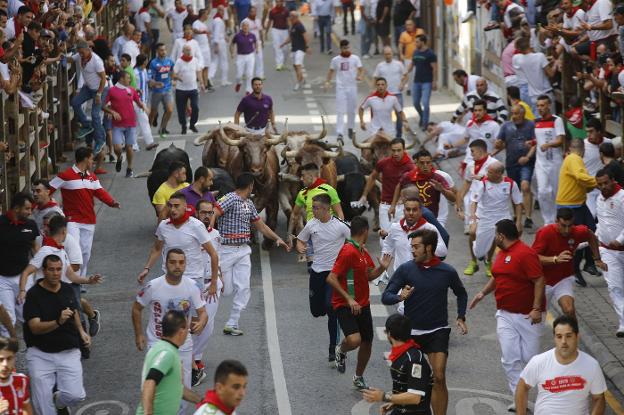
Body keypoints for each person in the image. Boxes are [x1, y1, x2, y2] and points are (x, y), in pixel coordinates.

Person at [383, 229, 467, 415]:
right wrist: (399, 296)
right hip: (411, 333)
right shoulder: (406, 269)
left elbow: (461, 293)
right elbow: (386, 296)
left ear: (428, 248)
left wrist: (461, 316)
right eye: (411, 246)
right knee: (410, 379)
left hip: (437, 330)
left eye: (416, 247)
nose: (412, 250)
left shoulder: (447, 271)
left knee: (438, 376)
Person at [469, 219, 545, 412]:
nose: (495, 237)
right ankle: (519, 399)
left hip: (528, 317)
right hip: (504, 315)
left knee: (531, 359)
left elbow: (539, 280)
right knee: (510, 358)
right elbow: (498, 276)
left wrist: (536, 308)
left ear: (501, 236)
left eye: (496, 234)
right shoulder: (501, 254)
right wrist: (482, 293)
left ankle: (546, 396)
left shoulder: (525, 254)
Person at [214, 173, 290, 336]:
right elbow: (214, 213)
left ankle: (232, 322)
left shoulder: (249, 204)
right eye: (253, 186)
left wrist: (278, 239)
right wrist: (208, 234)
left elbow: (261, 226)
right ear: (250, 186)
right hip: (226, 250)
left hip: (243, 250)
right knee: (225, 289)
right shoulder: (229, 199)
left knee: (244, 287)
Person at [132, 249, 207, 414]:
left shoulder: (192, 286)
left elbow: (203, 313)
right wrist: (139, 334)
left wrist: (202, 322)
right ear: (166, 264)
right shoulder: (154, 286)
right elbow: (137, 308)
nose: (177, 266)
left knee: (178, 389)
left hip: (183, 345)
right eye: (173, 262)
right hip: (157, 342)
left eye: (181, 262)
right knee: (159, 385)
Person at [327, 216, 390, 389]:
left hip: (362, 304)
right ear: (365, 231)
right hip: (345, 304)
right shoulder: (348, 251)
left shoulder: (362, 251)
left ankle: (358, 377)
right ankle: (342, 349)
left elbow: (369, 275)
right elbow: (331, 278)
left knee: (367, 342)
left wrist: (382, 268)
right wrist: (349, 298)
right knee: (354, 341)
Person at [23, 254, 90, 415]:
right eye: (51, 269)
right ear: (43, 271)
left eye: (59, 269)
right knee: (43, 407)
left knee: (76, 395)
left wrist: (82, 332)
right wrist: (57, 322)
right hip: (40, 354)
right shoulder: (33, 295)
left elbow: (73, 312)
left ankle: (59, 401)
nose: (56, 273)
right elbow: (35, 328)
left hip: (68, 351)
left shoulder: (67, 289)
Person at [296, 193, 351, 364]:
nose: (312, 211)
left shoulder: (341, 226)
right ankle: (332, 324)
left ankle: (333, 347)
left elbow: (355, 242)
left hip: (334, 274)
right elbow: (300, 240)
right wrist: (301, 248)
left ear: (326, 209)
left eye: (316, 208)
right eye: (312, 208)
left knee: (331, 308)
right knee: (317, 310)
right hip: (317, 273)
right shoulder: (312, 224)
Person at [49, 147, 121, 278]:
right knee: (74, 250)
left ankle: (81, 279)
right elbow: (47, 189)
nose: (93, 161)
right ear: (86, 159)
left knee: (86, 252)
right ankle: (72, 279)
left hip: (89, 220)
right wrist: (49, 205)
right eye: (92, 158)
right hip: (72, 221)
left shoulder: (92, 177)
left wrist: (112, 202)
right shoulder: (65, 175)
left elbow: (100, 192)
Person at [515, 315, 607, 415]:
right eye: (559, 336)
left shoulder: (591, 365)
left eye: (568, 336)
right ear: (554, 338)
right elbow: (522, 387)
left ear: (577, 336)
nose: (563, 341)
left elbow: (599, 398)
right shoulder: (539, 361)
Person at [138, 192, 219, 293]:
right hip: (170, 277)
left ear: (185, 206)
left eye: (176, 206)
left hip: (193, 278)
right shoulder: (163, 225)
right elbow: (157, 249)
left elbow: (213, 254)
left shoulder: (196, 226)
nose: (172, 209)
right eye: (170, 206)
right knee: (170, 308)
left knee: (194, 309)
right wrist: (147, 268)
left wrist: (214, 282)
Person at [532, 208, 606, 319]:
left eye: (570, 225)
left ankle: (573, 334)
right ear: (556, 221)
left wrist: (597, 259)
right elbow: (532, 258)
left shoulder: (577, 231)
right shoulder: (544, 233)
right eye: (563, 225)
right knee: (537, 318)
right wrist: (555, 259)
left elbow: (591, 236)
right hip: (543, 282)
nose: (567, 230)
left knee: (569, 309)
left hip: (563, 279)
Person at [362, 314, 433, 415]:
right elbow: (407, 387)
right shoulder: (402, 354)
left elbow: (415, 397)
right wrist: (395, 403)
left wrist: (384, 397)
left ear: (389, 334)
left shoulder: (414, 360)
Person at [136, 310, 202, 415]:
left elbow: (179, 389)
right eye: (187, 328)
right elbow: (149, 382)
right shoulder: (167, 353)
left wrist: (202, 401)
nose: (188, 332)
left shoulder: (167, 349)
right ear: (181, 331)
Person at [555, 139, 598, 287]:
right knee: (578, 237)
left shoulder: (572, 159)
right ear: (583, 149)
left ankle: (589, 262)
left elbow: (580, 182)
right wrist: (598, 182)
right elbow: (581, 176)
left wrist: (590, 186)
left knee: (591, 229)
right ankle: (575, 269)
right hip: (570, 205)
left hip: (579, 203)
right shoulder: (574, 158)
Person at [469, 161, 523, 277]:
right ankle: (479, 254)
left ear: (499, 173)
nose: (486, 174)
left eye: (490, 172)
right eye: (487, 171)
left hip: (503, 216)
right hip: (485, 218)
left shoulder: (511, 184)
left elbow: (518, 203)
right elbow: (474, 202)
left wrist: (518, 222)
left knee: (507, 243)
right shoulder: (482, 183)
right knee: (479, 253)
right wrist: (473, 219)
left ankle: (501, 265)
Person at [456, 139, 499, 275]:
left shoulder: (494, 164)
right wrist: (458, 206)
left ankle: (488, 261)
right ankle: (474, 261)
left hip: (490, 205)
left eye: (472, 151)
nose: (471, 154)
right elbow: (465, 186)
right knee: (473, 232)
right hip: (474, 205)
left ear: (480, 150)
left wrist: (484, 178)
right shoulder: (470, 165)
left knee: (492, 235)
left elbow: (500, 182)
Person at [191, 200, 223, 384]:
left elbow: (217, 258)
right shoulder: (191, 233)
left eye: (210, 213)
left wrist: (217, 279)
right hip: (192, 285)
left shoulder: (216, 235)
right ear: (196, 213)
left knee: (207, 325)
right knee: (191, 324)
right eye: (203, 212)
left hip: (211, 285)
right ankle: (190, 358)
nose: (207, 216)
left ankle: (195, 358)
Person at [0, 192, 39, 338]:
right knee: (7, 321)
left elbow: (35, 248)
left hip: (24, 276)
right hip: (2, 279)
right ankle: (8, 358)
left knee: (29, 316)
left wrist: (42, 265)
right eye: (27, 209)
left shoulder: (31, 225)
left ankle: (37, 350)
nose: (30, 212)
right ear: (16, 208)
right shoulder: (0, 223)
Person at [358, 138, 415, 234]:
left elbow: (415, 186)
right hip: (385, 206)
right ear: (389, 150)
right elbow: (372, 177)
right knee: (384, 239)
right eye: (393, 150)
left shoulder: (410, 166)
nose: (396, 153)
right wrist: (364, 195)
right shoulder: (383, 163)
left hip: (403, 206)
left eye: (399, 150)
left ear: (404, 149)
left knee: (401, 237)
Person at [382, 196, 448, 274]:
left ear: (420, 211)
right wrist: (383, 267)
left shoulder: (429, 228)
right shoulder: (395, 227)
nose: (411, 213)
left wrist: (424, 245)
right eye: (408, 209)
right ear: (404, 211)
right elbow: (388, 245)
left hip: (421, 274)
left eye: (414, 210)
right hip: (400, 274)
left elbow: (443, 251)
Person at [495, 104, 536, 229]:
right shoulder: (506, 126)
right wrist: (496, 146)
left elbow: (535, 143)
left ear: (523, 114)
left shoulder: (530, 125)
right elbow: (500, 143)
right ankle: (517, 215)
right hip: (511, 162)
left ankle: (528, 217)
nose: (514, 116)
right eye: (512, 113)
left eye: (517, 113)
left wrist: (527, 157)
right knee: (514, 190)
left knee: (525, 186)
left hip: (526, 163)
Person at [103, 70, 149, 178]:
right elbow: (103, 106)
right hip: (117, 125)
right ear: (121, 79)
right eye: (128, 78)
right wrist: (112, 112)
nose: (130, 80)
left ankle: (129, 168)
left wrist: (144, 107)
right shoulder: (112, 90)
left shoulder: (131, 90)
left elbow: (138, 102)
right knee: (117, 148)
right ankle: (119, 157)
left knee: (129, 147)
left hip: (130, 124)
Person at [595, 169, 624, 337]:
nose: (603, 187)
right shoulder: (599, 199)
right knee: (615, 288)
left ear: (613, 180)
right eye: (599, 184)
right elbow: (601, 224)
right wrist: (590, 239)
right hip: (607, 252)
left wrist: (619, 240)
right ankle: (623, 324)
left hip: (622, 248)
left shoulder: (622, 197)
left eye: (606, 183)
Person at [390, 149, 455, 222]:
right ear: (417, 163)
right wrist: (393, 206)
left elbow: (453, 199)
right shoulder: (409, 176)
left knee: (443, 234)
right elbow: (399, 186)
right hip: (412, 218)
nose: (425, 166)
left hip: (432, 219)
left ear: (431, 163)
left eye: (428, 163)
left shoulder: (438, 178)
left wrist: (442, 190)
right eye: (422, 163)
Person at [532, 94, 565, 225]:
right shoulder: (536, 122)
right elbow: (537, 141)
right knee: (543, 191)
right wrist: (531, 143)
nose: (540, 108)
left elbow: (560, 140)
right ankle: (548, 221)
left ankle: (558, 219)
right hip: (540, 163)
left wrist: (549, 144)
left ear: (549, 105)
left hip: (555, 162)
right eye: (538, 106)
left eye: (543, 105)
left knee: (557, 192)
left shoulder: (557, 120)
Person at [288, 163, 344, 238]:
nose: (301, 179)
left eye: (303, 175)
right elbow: (294, 215)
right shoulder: (302, 193)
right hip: (312, 236)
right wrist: (289, 235)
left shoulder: (329, 190)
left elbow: (340, 214)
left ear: (310, 176)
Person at [325, 39, 363, 143]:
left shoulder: (355, 58)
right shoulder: (336, 60)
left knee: (351, 110)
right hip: (341, 88)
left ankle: (350, 127)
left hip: (352, 87)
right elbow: (331, 71)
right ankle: (340, 133)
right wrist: (327, 82)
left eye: (348, 47)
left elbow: (361, 69)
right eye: (344, 48)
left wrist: (360, 76)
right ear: (341, 48)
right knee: (340, 110)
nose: (346, 50)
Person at [71, 40, 106, 150]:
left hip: (100, 89)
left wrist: (99, 94)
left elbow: (103, 79)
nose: (81, 55)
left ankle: (100, 141)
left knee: (95, 115)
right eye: (79, 53)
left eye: (82, 52)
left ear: (88, 49)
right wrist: (60, 56)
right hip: (88, 88)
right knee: (75, 102)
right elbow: (70, 59)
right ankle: (87, 125)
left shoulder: (96, 61)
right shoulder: (80, 56)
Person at [400, 34, 437, 129]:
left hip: (427, 82)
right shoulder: (415, 52)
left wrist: (434, 81)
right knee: (415, 103)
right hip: (417, 81)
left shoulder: (430, 54)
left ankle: (425, 124)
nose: (415, 43)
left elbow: (434, 68)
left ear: (423, 42)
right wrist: (406, 72)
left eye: (417, 42)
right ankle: (422, 116)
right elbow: (412, 64)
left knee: (425, 103)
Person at [373, 47, 407, 137]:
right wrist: (375, 90)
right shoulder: (380, 66)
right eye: (386, 54)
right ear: (383, 55)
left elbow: (405, 75)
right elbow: (375, 78)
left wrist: (402, 84)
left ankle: (398, 135)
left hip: (397, 94)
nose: (388, 56)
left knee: (399, 115)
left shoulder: (398, 64)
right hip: (384, 95)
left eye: (389, 54)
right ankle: (386, 134)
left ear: (392, 54)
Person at [173, 44, 204, 134]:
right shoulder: (179, 62)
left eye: (190, 50)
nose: (189, 52)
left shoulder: (195, 60)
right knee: (181, 109)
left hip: (193, 88)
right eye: (187, 50)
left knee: (195, 107)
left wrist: (201, 83)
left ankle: (192, 124)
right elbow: (174, 74)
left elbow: (198, 72)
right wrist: (178, 78)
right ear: (183, 52)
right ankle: (183, 125)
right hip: (181, 90)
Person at [0, 336, 33, 414]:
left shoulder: (22, 380)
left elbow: (26, 408)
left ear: (15, 358)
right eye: (0, 360)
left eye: (9, 358)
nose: (5, 364)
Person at [148, 43, 175, 138]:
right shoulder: (153, 63)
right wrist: (155, 83)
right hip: (156, 91)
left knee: (170, 110)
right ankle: (148, 131)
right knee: (153, 112)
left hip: (167, 89)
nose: (163, 52)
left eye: (164, 50)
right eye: (161, 50)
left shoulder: (170, 61)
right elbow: (150, 77)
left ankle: (162, 128)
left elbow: (171, 72)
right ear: (157, 51)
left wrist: (173, 80)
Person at [280, 11, 309, 91]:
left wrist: (307, 47)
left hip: (300, 49)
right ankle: (302, 79)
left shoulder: (300, 26)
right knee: (295, 67)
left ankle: (298, 83)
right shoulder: (292, 26)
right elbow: (290, 38)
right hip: (294, 49)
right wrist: (283, 44)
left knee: (298, 65)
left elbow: (306, 36)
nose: (290, 18)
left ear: (295, 17)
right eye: (290, 16)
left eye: (291, 17)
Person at [230, 21, 257, 94]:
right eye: (244, 26)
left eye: (247, 26)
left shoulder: (252, 35)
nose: (245, 27)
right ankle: (239, 82)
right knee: (239, 74)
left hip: (250, 56)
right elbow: (232, 44)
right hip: (240, 56)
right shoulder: (237, 36)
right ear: (242, 27)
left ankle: (248, 90)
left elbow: (256, 42)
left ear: (249, 27)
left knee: (249, 74)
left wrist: (257, 49)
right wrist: (232, 53)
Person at [209, 6, 231, 87]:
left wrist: (224, 36)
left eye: (223, 10)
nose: (223, 12)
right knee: (223, 60)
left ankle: (209, 77)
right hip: (219, 42)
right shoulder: (218, 21)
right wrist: (217, 45)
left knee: (214, 60)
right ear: (218, 11)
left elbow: (215, 31)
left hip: (217, 40)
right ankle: (224, 80)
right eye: (221, 10)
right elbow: (216, 33)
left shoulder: (215, 19)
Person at [266, 0, 290, 71]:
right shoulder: (272, 11)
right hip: (275, 30)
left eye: (280, 2)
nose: (278, 3)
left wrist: (290, 31)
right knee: (277, 46)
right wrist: (266, 32)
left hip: (285, 30)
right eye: (277, 2)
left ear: (282, 2)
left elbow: (288, 21)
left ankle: (283, 63)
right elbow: (269, 22)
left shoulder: (286, 11)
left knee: (285, 48)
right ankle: (279, 64)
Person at [242, 6, 264, 79]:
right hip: (248, 43)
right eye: (252, 12)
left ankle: (259, 75)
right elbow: (242, 33)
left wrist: (262, 41)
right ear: (249, 12)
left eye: (255, 12)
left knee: (259, 59)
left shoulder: (258, 20)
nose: (254, 13)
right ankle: (246, 74)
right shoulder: (245, 21)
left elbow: (260, 31)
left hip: (257, 42)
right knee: (248, 59)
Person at [193, 9, 212, 90]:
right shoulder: (196, 23)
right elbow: (195, 30)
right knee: (200, 67)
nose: (207, 16)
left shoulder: (204, 24)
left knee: (207, 66)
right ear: (203, 15)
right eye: (206, 14)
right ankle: (200, 84)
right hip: (199, 48)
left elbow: (206, 34)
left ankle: (206, 85)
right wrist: (203, 32)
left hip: (206, 47)